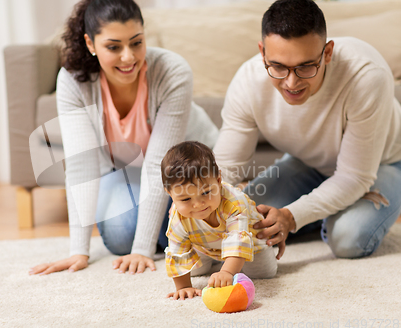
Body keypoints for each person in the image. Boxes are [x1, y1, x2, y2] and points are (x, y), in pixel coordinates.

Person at [29, 0, 218, 276]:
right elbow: (82, 165)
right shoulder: (72, 81)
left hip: (192, 175)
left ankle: (187, 232)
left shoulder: (172, 71)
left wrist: (141, 249)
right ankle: (187, 235)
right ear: (91, 44)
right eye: (114, 47)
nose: (128, 57)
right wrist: (78, 252)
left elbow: (158, 165)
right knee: (120, 233)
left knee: (203, 212)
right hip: (125, 174)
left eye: (136, 43)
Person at [214, 0, 401, 260]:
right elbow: (227, 167)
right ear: (262, 52)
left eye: (305, 67)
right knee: (242, 217)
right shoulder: (247, 82)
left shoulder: (367, 75)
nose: (291, 82)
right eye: (278, 66)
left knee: (349, 237)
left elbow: (355, 176)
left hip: (383, 164)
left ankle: (326, 216)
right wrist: (205, 201)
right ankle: (323, 209)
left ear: (327, 53)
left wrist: (291, 217)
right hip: (308, 165)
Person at [161, 141, 277, 300]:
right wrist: (184, 287)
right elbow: (177, 251)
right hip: (206, 245)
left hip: (250, 241)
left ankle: (227, 263)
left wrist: (227, 272)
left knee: (264, 273)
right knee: (194, 271)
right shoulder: (177, 215)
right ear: (170, 193)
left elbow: (238, 241)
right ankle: (220, 259)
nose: (197, 204)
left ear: (218, 180)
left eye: (206, 192)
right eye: (186, 199)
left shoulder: (234, 203)